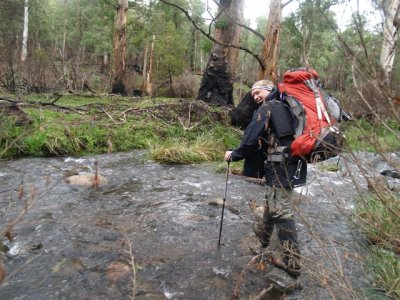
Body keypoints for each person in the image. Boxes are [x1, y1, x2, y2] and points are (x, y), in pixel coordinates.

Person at [224, 79, 307, 277]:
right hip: (291, 164)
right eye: (252, 94)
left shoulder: (268, 107)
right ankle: (263, 237)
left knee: (282, 211)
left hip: (280, 165)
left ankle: (292, 262)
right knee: (274, 202)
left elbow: (250, 139)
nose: (255, 97)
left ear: (269, 90)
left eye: (257, 92)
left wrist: (234, 154)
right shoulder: (286, 108)